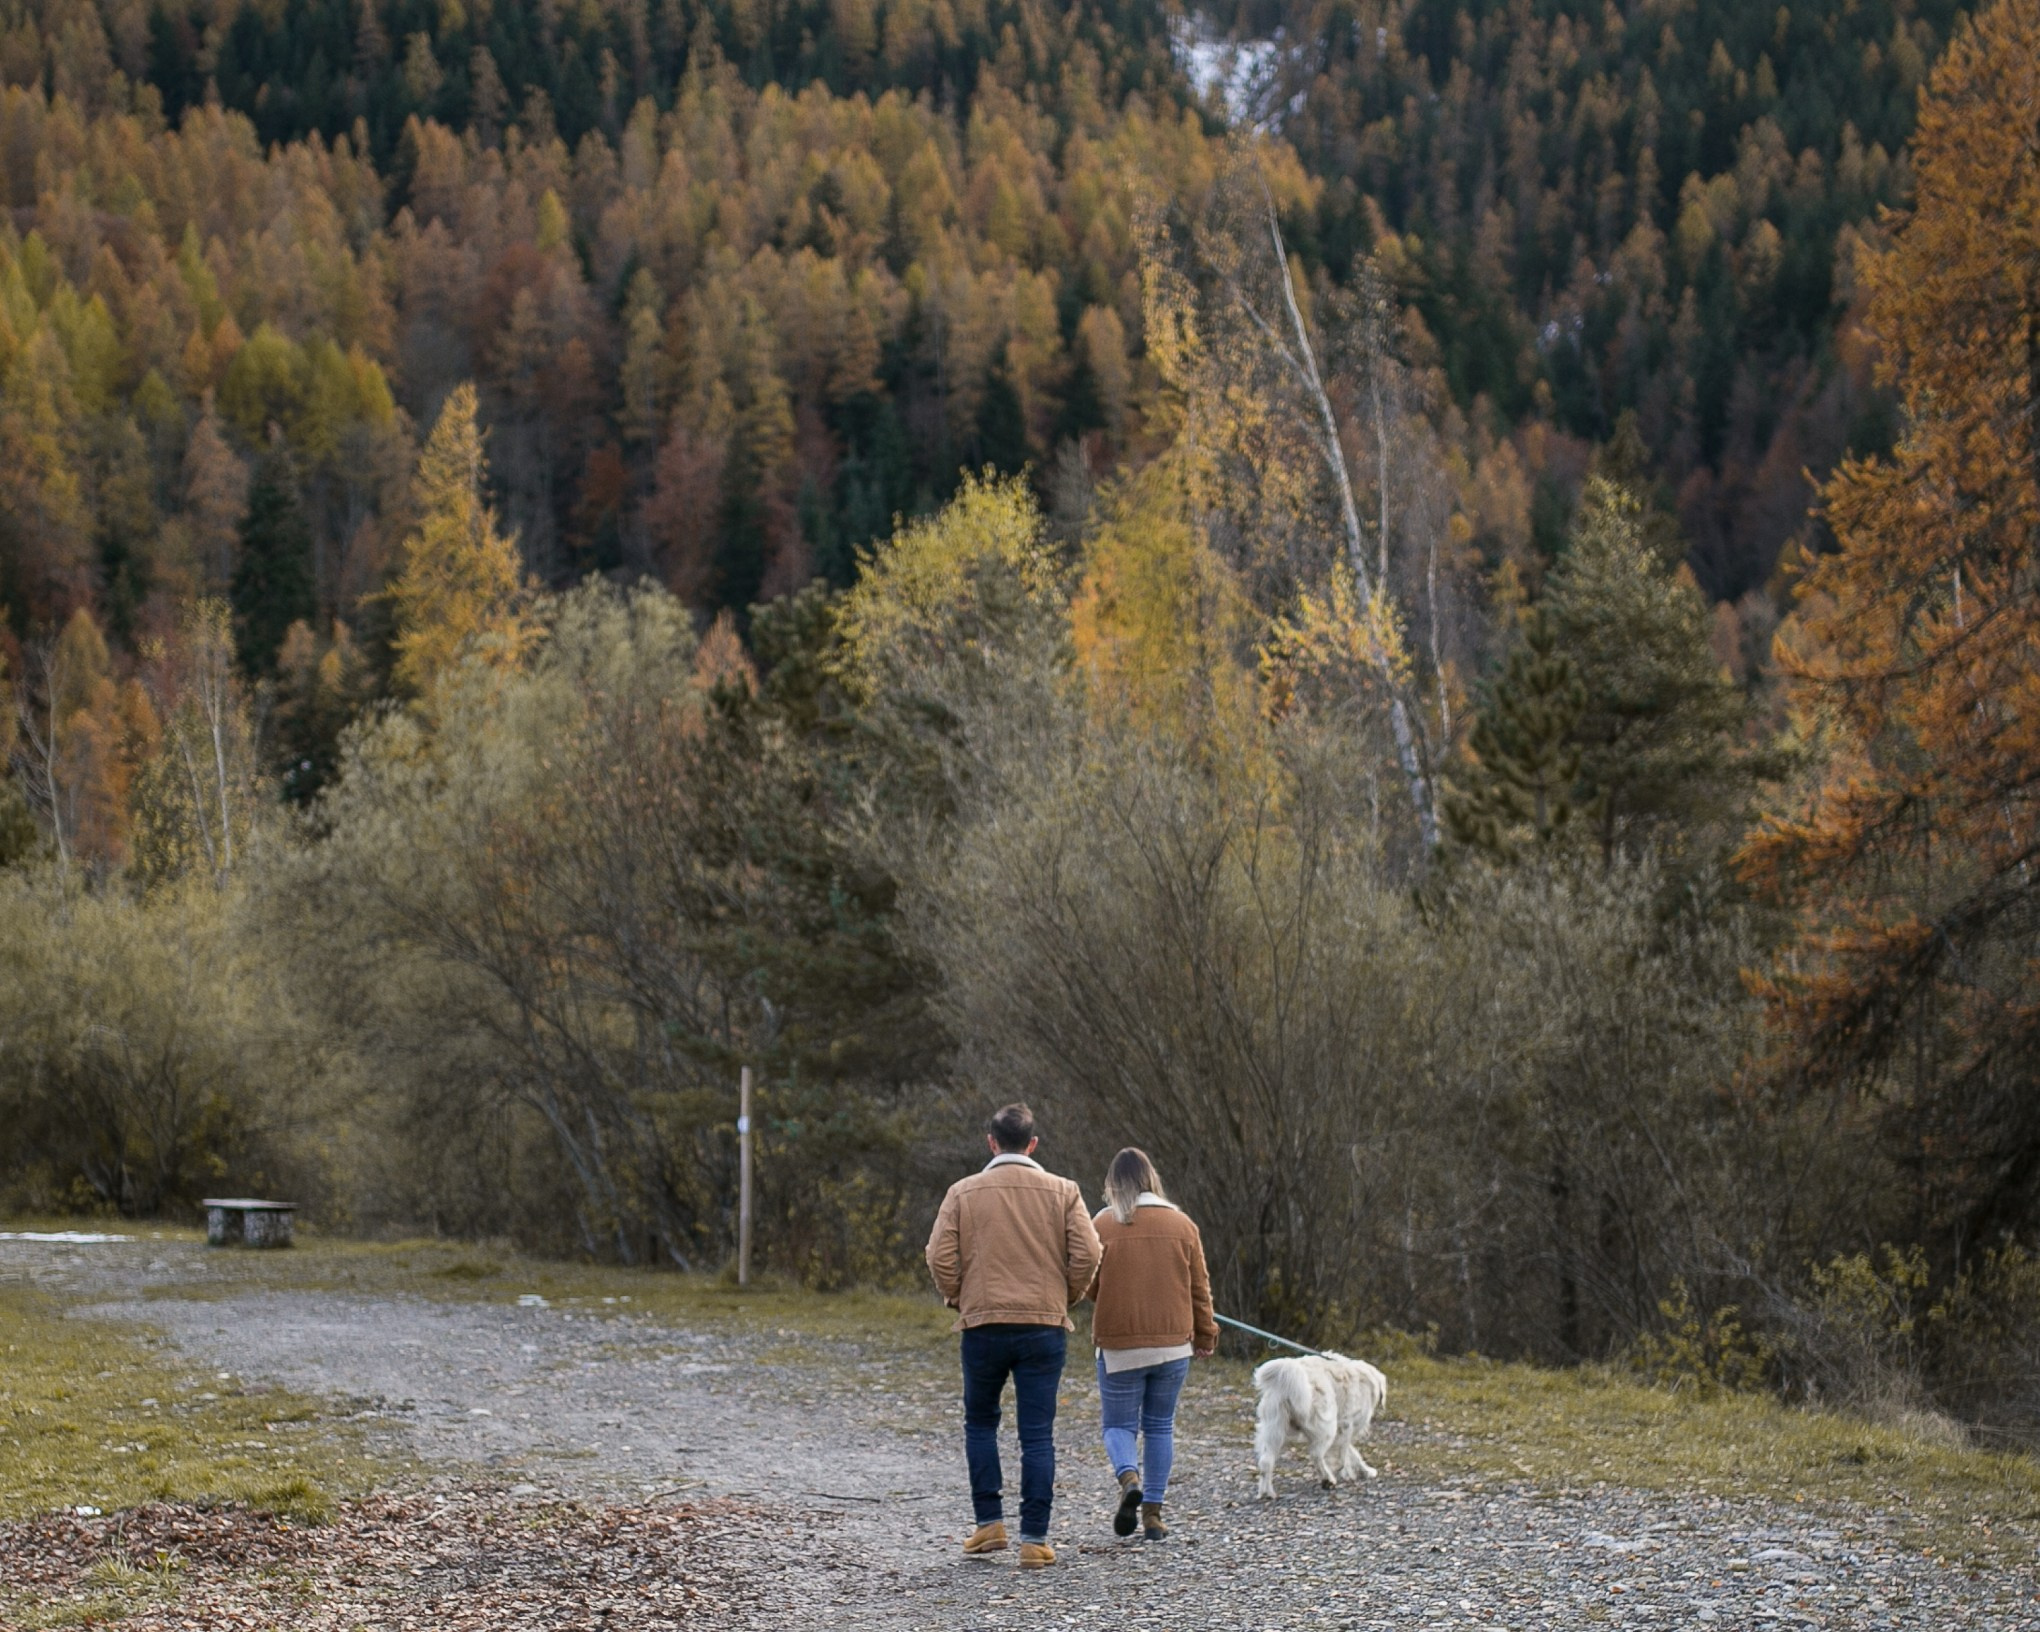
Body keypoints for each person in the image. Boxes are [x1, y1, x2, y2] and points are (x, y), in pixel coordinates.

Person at [925, 1102, 1102, 1569]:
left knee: (981, 1423)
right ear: (1033, 1143)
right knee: (1037, 1435)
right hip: (1043, 1326)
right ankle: (1035, 1539)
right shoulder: (1063, 1191)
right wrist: (1068, 1296)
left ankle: (989, 1524)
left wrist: (959, 1298)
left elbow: (938, 1256)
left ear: (990, 1142)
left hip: (982, 1324)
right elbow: (1089, 1252)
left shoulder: (963, 1192)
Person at [1087, 1147, 1217, 1542]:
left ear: (1114, 1184)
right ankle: (1154, 1517)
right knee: (1160, 1426)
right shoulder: (1182, 1225)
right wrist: (1206, 1333)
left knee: (1118, 1424)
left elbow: (1089, 1285)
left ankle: (1129, 1477)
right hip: (1173, 1346)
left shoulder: (1102, 1224)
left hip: (1119, 1344)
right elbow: (1200, 1288)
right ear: (1151, 1179)